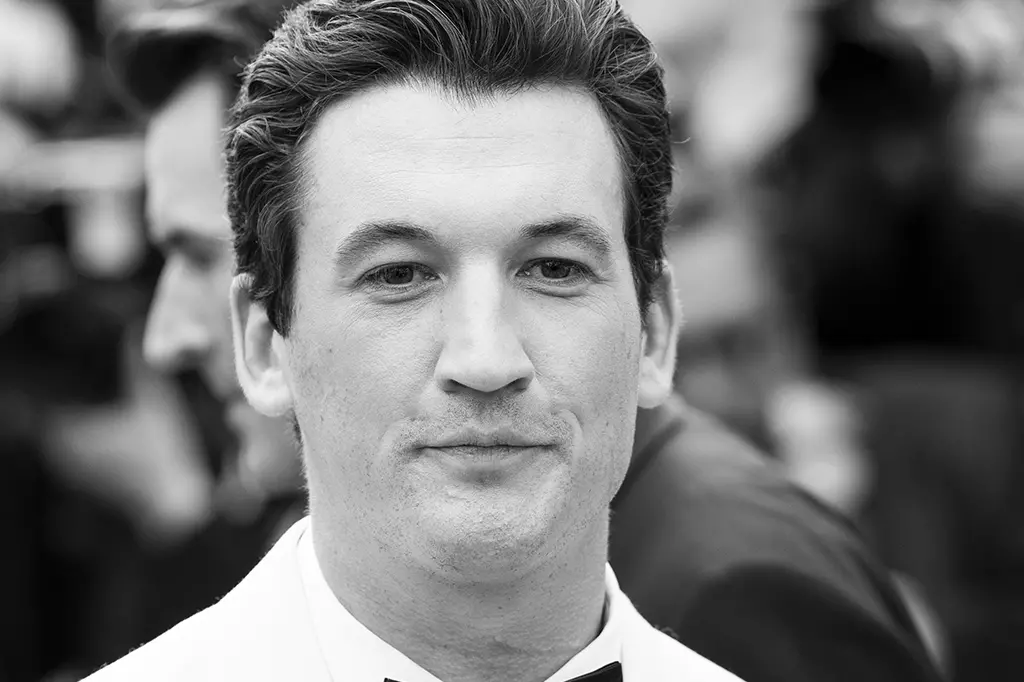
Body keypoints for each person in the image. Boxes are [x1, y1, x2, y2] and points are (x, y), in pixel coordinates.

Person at [98, 2, 945, 681]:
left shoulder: (736, 592)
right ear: (261, 345)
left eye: (554, 269)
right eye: (399, 275)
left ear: (656, 329)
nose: (485, 360)